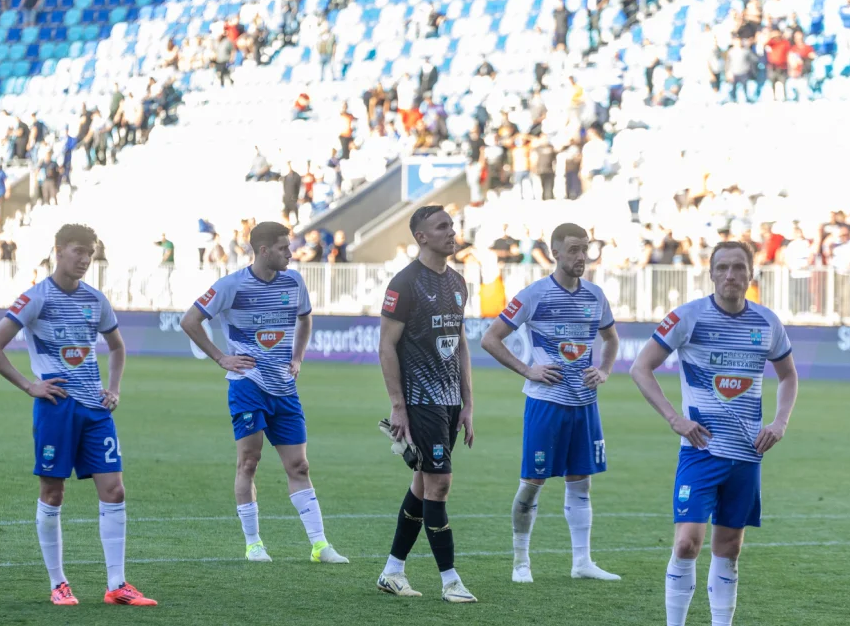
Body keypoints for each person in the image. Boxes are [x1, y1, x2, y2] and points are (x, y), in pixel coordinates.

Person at [0, 224, 158, 608]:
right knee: (53, 492)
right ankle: (59, 582)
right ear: (58, 250)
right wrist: (30, 385)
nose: (84, 260)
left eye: (90, 254)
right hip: (56, 408)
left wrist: (114, 388)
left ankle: (117, 584)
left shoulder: (96, 300)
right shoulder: (35, 298)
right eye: (78, 251)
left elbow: (117, 347)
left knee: (115, 490)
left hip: (95, 410)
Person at [629, 242, 799, 626]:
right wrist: (675, 418)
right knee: (687, 542)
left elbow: (788, 375)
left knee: (730, 548)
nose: (730, 275)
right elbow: (642, 368)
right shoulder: (687, 318)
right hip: (700, 451)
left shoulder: (767, 323)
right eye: (722, 267)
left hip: (746, 454)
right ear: (710, 273)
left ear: (751, 274)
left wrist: (780, 422)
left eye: (739, 267)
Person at [179, 221, 350, 565]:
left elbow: (305, 318)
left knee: (299, 465)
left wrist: (298, 357)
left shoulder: (294, 281)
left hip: (284, 387)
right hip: (248, 386)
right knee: (249, 462)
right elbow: (189, 320)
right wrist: (221, 357)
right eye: (284, 248)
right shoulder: (231, 285)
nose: (291, 253)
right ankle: (254, 544)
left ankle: (320, 546)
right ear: (263, 251)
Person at [480, 222, 622, 584]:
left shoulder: (596, 295)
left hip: (584, 404)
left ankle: (582, 562)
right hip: (546, 403)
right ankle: (521, 562)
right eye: (573, 249)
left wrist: (603, 370)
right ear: (555, 252)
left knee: (581, 481)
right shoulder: (534, 294)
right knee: (532, 482)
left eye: (585, 248)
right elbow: (491, 339)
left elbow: (611, 339)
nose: (581, 256)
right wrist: (528, 370)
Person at [375, 205, 476, 603]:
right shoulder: (405, 283)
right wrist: (398, 406)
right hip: (420, 400)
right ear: (421, 237)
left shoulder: (458, 282)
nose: (452, 232)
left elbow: (461, 343)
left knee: (422, 483)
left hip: (450, 401)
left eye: (452, 225)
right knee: (439, 485)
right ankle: (451, 581)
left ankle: (392, 572)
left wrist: (468, 403)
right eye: (442, 227)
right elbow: (386, 345)